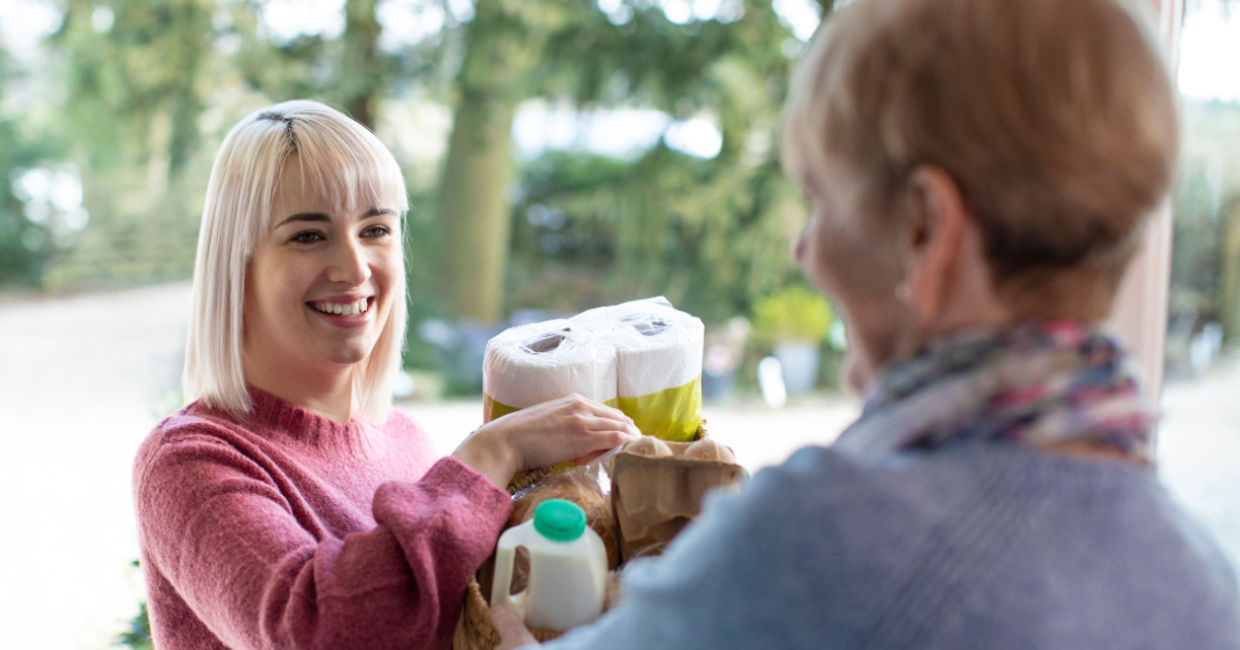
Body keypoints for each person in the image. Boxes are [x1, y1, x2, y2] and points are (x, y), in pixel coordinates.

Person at [492, 0, 1240, 647]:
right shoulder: (1207, 584)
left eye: (822, 202)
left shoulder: (823, 537)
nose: (806, 250)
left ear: (923, 228)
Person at [132, 99, 641, 650]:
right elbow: (317, 632)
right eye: (308, 235)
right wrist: (492, 455)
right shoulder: (188, 462)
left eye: (375, 229)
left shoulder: (405, 443)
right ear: (239, 262)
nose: (354, 269)